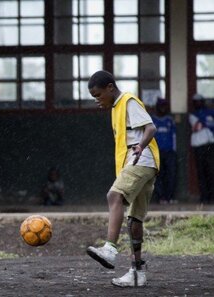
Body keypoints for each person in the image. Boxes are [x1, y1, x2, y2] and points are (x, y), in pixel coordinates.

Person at [85, 70, 160, 287]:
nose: (97, 100)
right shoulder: (116, 108)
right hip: (144, 163)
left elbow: (151, 127)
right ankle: (137, 273)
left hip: (141, 159)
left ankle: (109, 248)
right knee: (134, 219)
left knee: (114, 195)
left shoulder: (128, 101)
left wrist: (140, 146)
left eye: (98, 95)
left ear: (110, 87)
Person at [189, 94, 214, 204]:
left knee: (211, 171)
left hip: (210, 145)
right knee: (201, 172)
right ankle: (204, 197)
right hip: (198, 146)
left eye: (200, 101)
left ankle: (211, 197)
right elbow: (196, 127)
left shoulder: (210, 112)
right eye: (196, 102)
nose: (198, 103)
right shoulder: (192, 115)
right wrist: (205, 121)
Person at [151, 98, 177, 204]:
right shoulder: (152, 120)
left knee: (170, 175)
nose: (163, 108)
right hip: (157, 152)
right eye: (161, 106)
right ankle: (160, 197)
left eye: (164, 106)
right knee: (158, 175)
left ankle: (169, 197)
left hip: (169, 152)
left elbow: (174, 136)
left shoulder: (170, 120)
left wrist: (174, 150)